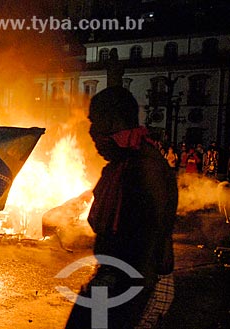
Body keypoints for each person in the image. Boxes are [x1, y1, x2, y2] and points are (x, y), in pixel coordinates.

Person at [65, 87, 178, 329]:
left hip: (136, 284)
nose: (91, 132)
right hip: (113, 279)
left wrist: (119, 297)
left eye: (95, 122)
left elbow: (150, 240)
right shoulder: (122, 164)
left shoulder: (145, 166)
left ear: (113, 121)